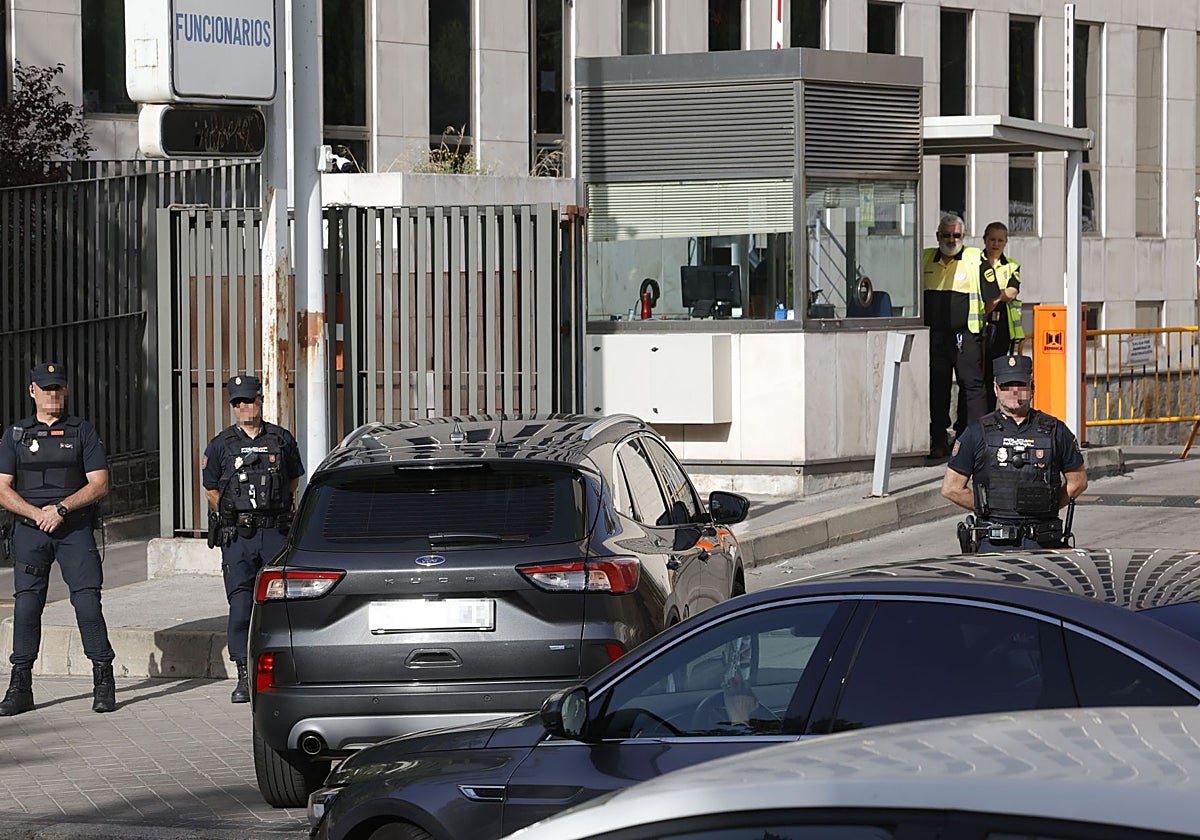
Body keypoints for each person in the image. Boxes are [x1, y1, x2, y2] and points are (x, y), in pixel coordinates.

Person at [0, 363, 116, 715]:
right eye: (46, 388)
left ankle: (103, 678)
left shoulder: (82, 431)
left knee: (86, 603)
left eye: (58, 388)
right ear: (32, 391)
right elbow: (2, 488)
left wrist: (61, 509)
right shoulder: (16, 434)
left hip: (74, 530)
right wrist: (37, 515)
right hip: (31, 531)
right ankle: (21, 684)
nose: (53, 394)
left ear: (65, 391)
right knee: (27, 607)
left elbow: (99, 483)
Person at [201, 375, 304, 703]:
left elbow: (292, 481)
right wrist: (230, 512)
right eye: (238, 403)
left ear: (261, 400)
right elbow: (210, 488)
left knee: (281, 602)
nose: (244, 407)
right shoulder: (220, 444)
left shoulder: (282, 439)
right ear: (232, 406)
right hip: (239, 536)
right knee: (242, 604)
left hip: (273, 531)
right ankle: (244, 674)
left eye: (250, 400)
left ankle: (284, 669)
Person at [941, 354, 1088, 552]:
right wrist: (992, 507)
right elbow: (951, 488)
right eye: (1006, 386)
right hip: (994, 543)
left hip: (1044, 542)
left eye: (1020, 385)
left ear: (1032, 387)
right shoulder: (976, 433)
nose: (1014, 392)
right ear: (995, 389)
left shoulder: (1056, 430)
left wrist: (1047, 505)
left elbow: (1078, 482)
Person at [923, 213, 986, 459]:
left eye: (956, 235)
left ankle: (970, 442)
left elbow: (990, 295)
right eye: (946, 235)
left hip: (965, 336)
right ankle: (939, 440)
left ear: (964, 236)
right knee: (937, 389)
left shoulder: (973, 258)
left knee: (971, 388)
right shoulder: (926, 258)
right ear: (938, 236)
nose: (951, 239)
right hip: (935, 336)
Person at [980, 221, 1025, 412]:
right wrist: (1001, 293)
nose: (995, 244)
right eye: (992, 239)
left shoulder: (1012, 265)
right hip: (978, 323)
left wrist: (992, 296)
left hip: (1001, 327)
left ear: (1006, 241)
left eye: (1000, 240)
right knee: (976, 376)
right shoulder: (977, 261)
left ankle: (991, 412)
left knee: (994, 373)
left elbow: (1013, 292)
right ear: (985, 240)